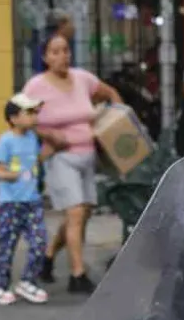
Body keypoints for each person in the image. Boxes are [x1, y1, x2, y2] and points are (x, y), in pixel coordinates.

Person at [22, 33, 123, 293]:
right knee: (76, 212)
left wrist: (119, 118)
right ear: (45, 57)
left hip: (88, 155)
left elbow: (109, 92)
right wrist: (46, 134)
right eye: (55, 52)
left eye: (66, 50)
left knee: (82, 213)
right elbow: (20, 117)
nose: (62, 56)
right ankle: (77, 275)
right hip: (60, 157)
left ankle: (47, 257)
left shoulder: (82, 79)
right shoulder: (36, 86)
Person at [0, 93, 50, 306]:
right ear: (14, 118)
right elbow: (0, 171)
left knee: (39, 241)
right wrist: (18, 175)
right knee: (7, 244)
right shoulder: (5, 141)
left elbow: (36, 160)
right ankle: (0, 286)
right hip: (10, 203)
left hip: (32, 201)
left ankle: (27, 281)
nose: (35, 117)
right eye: (29, 112)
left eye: (36, 112)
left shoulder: (33, 138)